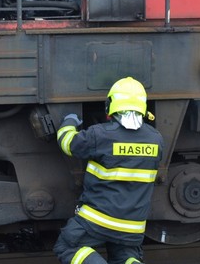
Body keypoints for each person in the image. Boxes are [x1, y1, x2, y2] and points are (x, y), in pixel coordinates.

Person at [53, 77, 164, 264]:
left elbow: (68, 143)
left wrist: (69, 121)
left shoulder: (100, 135)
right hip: (133, 227)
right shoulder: (156, 139)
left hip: (98, 220)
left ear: (111, 105)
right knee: (126, 258)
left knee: (67, 247)